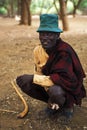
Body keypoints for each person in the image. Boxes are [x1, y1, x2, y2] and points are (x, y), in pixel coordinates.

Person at [16, 14, 86, 119]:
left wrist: (35, 79)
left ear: (58, 36)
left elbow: (65, 80)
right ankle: (53, 103)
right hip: (50, 85)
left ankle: (68, 106)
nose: (45, 38)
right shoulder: (38, 50)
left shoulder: (64, 51)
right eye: (42, 34)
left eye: (49, 34)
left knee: (56, 91)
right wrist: (40, 84)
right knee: (24, 81)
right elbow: (39, 72)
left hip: (66, 87)